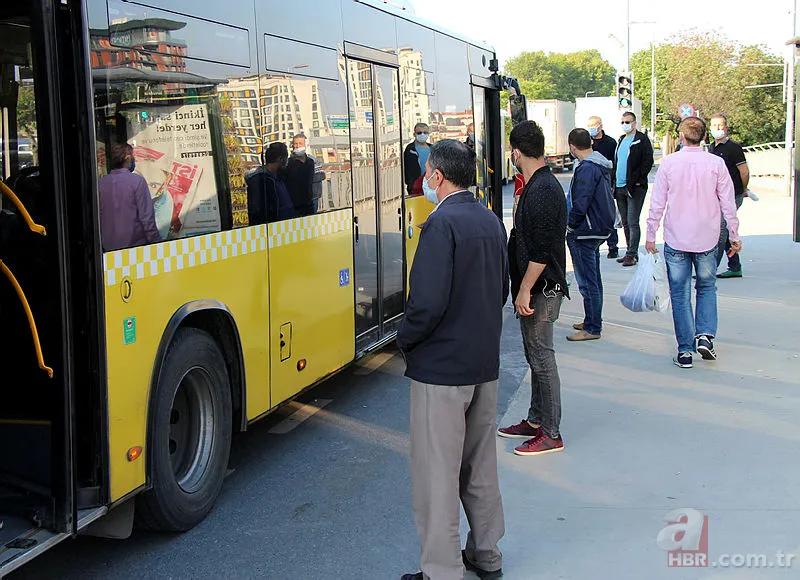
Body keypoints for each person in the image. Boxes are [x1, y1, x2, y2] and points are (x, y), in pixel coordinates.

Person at [397, 139, 507, 580]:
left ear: (437, 176)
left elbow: (425, 303)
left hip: (442, 369)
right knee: (479, 466)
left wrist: (405, 340)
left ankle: (441, 571)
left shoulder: (440, 224)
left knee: (436, 474)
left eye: (427, 174)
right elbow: (499, 289)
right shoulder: (490, 219)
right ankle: (486, 555)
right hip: (484, 362)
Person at [645, 117, 741, 368]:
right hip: (708, 237)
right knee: (707, 287)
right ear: (705, 136)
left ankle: (685, 351)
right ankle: (705, 337)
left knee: (680, 294)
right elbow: (728, 203)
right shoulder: (716, 164)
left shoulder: (669, 164)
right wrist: (734, 234)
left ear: (681, 136)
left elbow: (657, 203)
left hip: (677, 237)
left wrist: (650, 234)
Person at [497, 120, 569, 456]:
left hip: (543, 287)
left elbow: (541, 251)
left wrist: (525, 288)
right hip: (537, 286)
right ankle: (536, 420)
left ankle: (551, 432)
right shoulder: (538, 183)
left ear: (516, 151)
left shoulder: (542, 189)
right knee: (534, 355)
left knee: (542, 357)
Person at [565, 128, 616, 341]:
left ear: (572, 146)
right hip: (598, 228)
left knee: (587, 281)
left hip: (585, 230)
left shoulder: (586, 168)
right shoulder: (599, 164)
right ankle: (592, 319)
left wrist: (570, 225)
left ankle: (593, 327)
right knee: (594, 278)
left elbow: (581, 201)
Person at [98, 142, 160, 251]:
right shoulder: (137, 181)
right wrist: (157, 243)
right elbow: (146, 219)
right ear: (128, 157)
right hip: (135, 249)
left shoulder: (100, 184)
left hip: (108, 249)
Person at [709, 114, 749, 278]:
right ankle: (735, 266)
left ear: (726, 127)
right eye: (714, 125)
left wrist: (744, 189)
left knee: (720, 232)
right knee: (725, 230)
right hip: (717, 195)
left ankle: (709, 271)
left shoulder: (733, 147)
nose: (717, 129)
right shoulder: (712, 147)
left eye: (720, 125)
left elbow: (744, 171)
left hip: (733, 194)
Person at [613, 111, 654, 266]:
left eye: (628, 122)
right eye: (623, 122)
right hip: (620, 186)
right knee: (624, 222)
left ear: (635, 123)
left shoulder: (641, 140)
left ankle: (632, 254)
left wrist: (638, 180)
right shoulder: (622, 140)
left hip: (635, 188)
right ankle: (630, 251)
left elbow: (647, 161)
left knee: (632, 221)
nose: (625, 125)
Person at [587, 115, 619, 259]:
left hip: (605, 182)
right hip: (589, 183)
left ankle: (613, 245)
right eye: (589, 125)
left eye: (594, 125)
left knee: (608, 213)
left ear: (600, 125)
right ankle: (596, 243)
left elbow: (614, 164)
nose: (592, 128)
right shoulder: (587, 141)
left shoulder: (610, 143)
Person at [246, 142, 294, 225]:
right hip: (273, 230)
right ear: (280, 159)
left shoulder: (278, 177)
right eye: (286, 159)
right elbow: (259, 212)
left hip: (286, 227)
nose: (287, 163)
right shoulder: (260, 180)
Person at [282, 134, 316, 216]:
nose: (297, 146)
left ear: (305, 145)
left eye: (300, 143)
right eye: (295, 144)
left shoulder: (310, 162)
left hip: (309, 203)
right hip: (293, 205)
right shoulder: (288, 163)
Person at [403, 123, 431, 195]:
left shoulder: (433, 148)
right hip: (416, 188)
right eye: (419, 133)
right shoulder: (410, 150)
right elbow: (406, 169)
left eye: (425, 132)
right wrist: (411, 185)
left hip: (432, 186)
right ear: (414, 134)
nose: (422, 134)